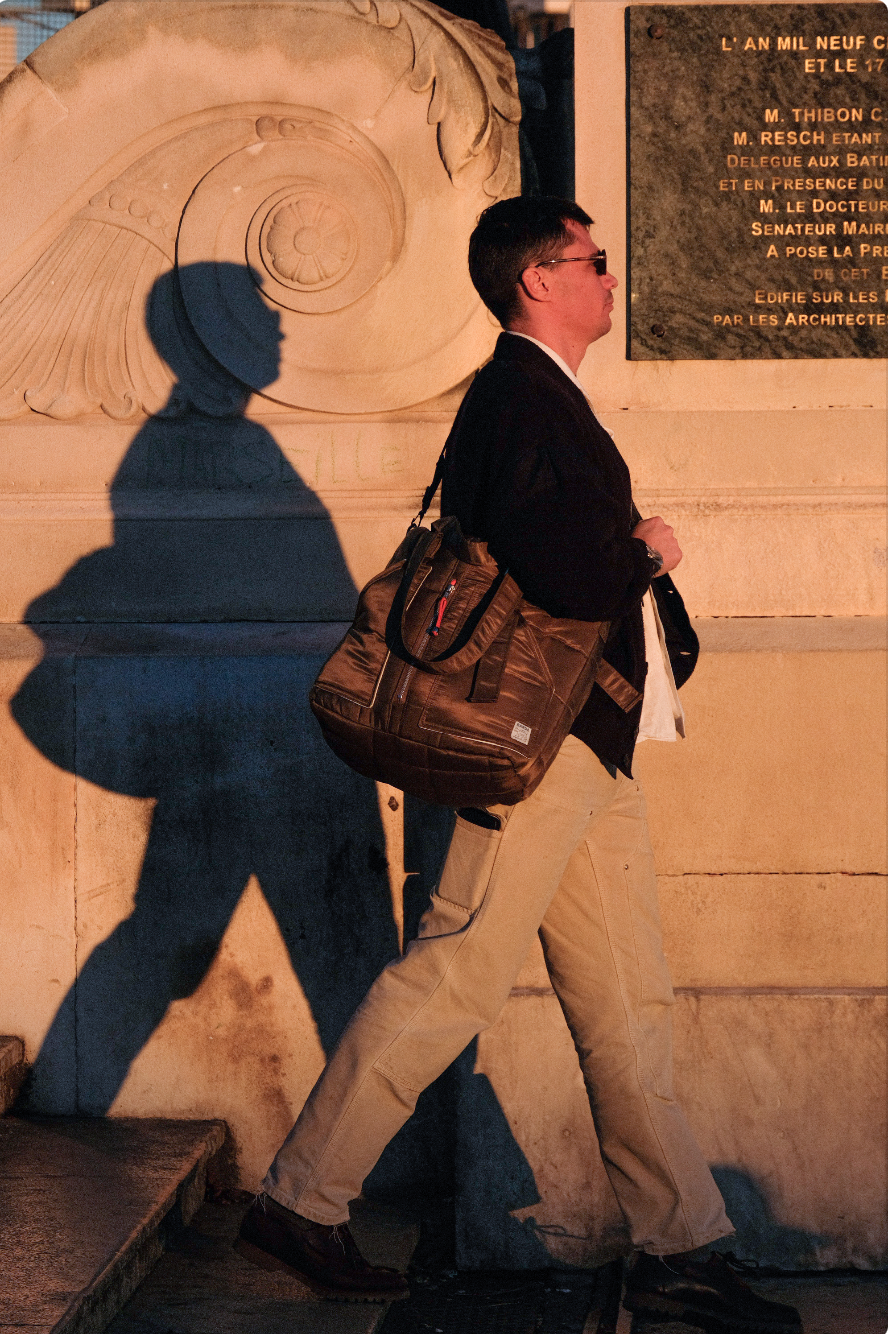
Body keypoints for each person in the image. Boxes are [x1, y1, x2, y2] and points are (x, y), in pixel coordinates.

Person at [235, 197, 802, 1334]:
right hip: (527, 755)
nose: (611, 279)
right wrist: (644, 548)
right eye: (596, 260)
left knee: (627, 1000)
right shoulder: (522, 395)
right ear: (540, 279)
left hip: (585, 748)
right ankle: (303, 1197)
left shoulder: (536, 395)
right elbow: (560, 567)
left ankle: (678, 1244)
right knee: (456, 969)